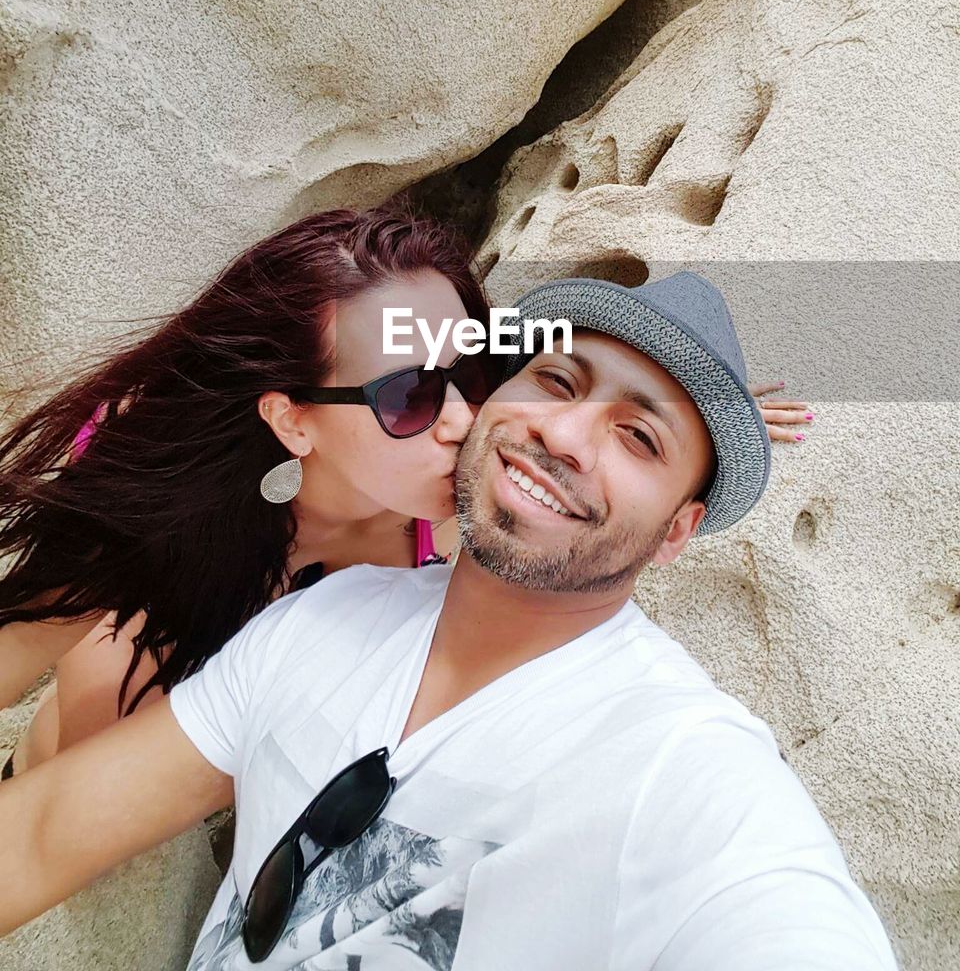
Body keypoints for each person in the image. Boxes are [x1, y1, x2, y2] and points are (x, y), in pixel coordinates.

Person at [0, 272, 894, 969]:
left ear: (679, 532)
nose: (565, 435)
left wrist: (721, 411)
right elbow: (40, 836)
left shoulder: (686, 773)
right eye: (554, 382)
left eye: (640, 438)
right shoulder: (316, 620)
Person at [0, 206, 811, 777]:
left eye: (479, 376)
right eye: (411, 397)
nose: (463, 419)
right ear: (293, 420)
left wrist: (693, 405)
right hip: (73, 781)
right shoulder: (155, 501)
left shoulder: (474, 522)